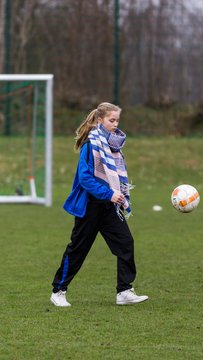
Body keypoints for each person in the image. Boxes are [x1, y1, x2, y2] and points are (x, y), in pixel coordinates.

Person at [50, 102, 148, 306]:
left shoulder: (115, 146)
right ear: (100, 120)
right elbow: (85, 179)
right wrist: (109, 193)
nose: (115, 124)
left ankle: (124, 291)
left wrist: (118, 194)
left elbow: (116, 176)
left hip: (109, 207)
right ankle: (58, 291)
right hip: (90, 207)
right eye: (111, 120)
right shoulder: (90, 145)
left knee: (125, 243)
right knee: (78, 250)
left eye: (117, 120)